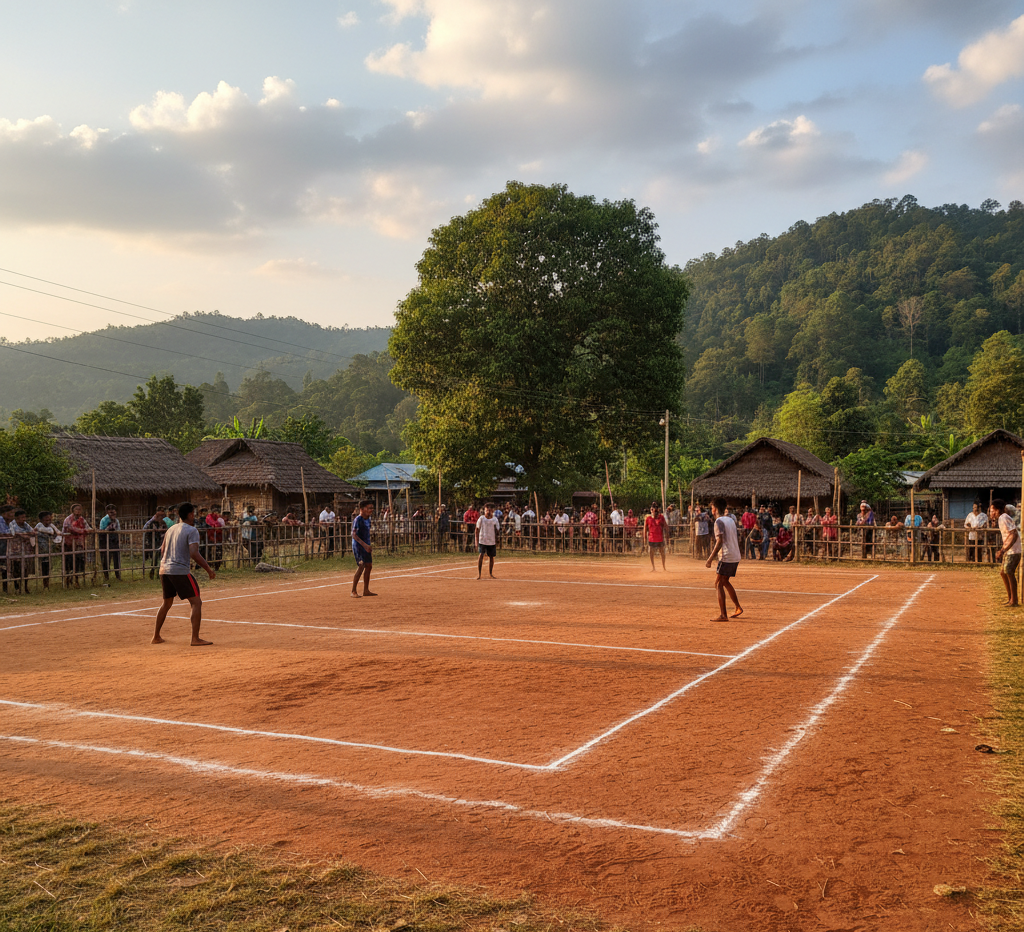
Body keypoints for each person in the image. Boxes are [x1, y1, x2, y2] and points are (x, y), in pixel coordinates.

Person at [152, 502, 216, 646]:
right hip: (179, 570)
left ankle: (156, 636)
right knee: (196, 602)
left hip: (164, 569)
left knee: (167, 603)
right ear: (190, 514)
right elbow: (194, 553)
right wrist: (208, 569)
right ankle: (195, 638)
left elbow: (162, 550)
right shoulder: (191, 530)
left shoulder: (171, 529)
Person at [706, 497, 743, 622]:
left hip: (726, 556)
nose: (712, 510)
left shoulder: (718, 522)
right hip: (735, 555)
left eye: (712, 508)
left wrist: (710, 558)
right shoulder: (731, 519)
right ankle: (737, 607)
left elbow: (720, 541)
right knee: (724, 581)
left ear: (715, 509)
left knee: (718, 584)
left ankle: (723, 615)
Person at [992, 494, 1021, 607]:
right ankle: (1010, 599)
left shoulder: (1003, 518)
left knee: (1008, 572)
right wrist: (1003, 549)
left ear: (997, 510)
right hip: (1010, 549)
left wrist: (1004, 550)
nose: (991, 513)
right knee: (1003, 573)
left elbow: (1013, 534)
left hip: (1014, 550)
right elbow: (1010, 534)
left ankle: (1014, 600)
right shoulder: (1002, 518)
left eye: (992, 510)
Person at [61, 503, 92, 588]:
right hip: (69, 544)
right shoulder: (68, 519)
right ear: (73, 511)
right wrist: (83, 531)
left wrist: (85, 530)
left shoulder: (82, 519)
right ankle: (67, 580)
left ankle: (76, 581)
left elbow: (88, 528)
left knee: (78, 563)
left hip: (79, 545)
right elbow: (70, 528)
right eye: (76, 509)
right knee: (69, 563)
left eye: (79, 509)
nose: (78, 511)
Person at [7, 509, 37, 593]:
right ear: (17, 518)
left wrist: (25, 535)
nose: (24, 519)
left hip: (26, 549)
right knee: (16, 568)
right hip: (15, 550)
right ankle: (17, 587)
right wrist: (23, 535)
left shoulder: (25, 524)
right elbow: (14, 533)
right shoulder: (12, 524)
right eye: (22, 517)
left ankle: (25, 587)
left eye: (24, 517)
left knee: (26, 568)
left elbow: (32, 532)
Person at [351, 499, 376, 597]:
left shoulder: (368, 519)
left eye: (372, 508)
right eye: (369, 508)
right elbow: (354, 535)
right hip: (358, 546)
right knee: (361, 565)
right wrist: (364, 545)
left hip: (366, 546)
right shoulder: (358, 519)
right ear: (362, 509)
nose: (371, 510)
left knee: (369, 566)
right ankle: (353, 591)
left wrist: (368, 544)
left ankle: (366, 590)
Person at [34, 511, 60, 590]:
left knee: (47, 567)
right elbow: (37, 532)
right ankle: (43, 583)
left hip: (48, 550)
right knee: (42, 567)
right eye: (46, 520)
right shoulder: (39, 526)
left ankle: (47, 584)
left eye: (49, 520)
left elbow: (57, 532)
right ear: (41, 520)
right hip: (41, 550)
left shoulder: (51, 526)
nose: (48, 522)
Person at [475, 502, 500, 578]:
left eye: (490, 510)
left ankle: (490, 573)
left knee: (491, 557)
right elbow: (477, 529)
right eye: (487, 510)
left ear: (493, 511)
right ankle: (479, 574)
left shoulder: (495, 520)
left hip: (491, 541)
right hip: (482, 540)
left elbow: (497, 531)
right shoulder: (482, 518)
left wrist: (497, 540)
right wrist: (476, 541)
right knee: (481, 555)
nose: (488, 512)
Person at [98, 504, 122, 581]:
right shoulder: (104, 520)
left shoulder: (116, 520)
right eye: (111, 512)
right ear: (107, 512)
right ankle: (106, 576)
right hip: (105, 541)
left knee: (116, 558)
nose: (113, 514)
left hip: (114, 541)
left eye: (114, 512)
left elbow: (118, 530)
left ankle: (117, 575)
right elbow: (101, 531)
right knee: (106, 559)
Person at [144, 506, 168, 578]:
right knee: (155, 558)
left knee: (161, 559)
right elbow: (147, 531)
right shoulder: (152, 522)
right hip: (154, 541)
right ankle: (153, 572)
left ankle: (159, 574)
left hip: (160, 541)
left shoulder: (163, 522)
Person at [644, 502, 668, 571]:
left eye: (654, 510)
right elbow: (645, 529)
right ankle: (653, 567)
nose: (653, 512)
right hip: (652, 538)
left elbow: (666, 527)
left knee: (662, 552)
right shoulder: (648, 518)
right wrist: (645, 539)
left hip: (660, 538)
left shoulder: (661, 517)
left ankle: (664, 567)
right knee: (651, 552)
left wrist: (667, 536)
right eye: (652, 510)